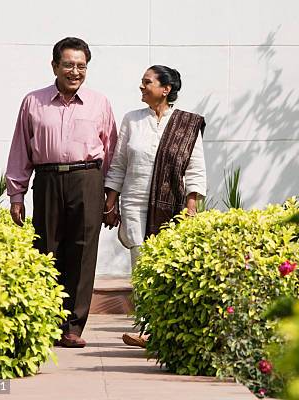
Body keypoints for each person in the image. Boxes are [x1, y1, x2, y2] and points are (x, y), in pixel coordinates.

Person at [5, 37, 117, 348]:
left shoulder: (100, 103)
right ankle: (48, 321)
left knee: (82, 252)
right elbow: (20, 149)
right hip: (48, 179)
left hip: (88, 179)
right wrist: (17, 195)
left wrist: (111, 196)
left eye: (81, 66)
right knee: (47, 248)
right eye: (68, 64)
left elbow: (111, 152)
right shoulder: (33, 102)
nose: (75, 71)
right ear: (55, 66)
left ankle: (73, 327)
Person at [103, 65, 206, 348]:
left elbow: (195, 168)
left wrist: (192, 205)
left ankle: (166, 328)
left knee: (167, 266)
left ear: (165, 89)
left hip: (172, 204)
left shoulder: (187, 124)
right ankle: (147, 329)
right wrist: (110, 202)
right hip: (135, 202)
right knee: (142, 264)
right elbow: (120, 162)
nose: (141, 86)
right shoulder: (132, 120)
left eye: (147, 82)